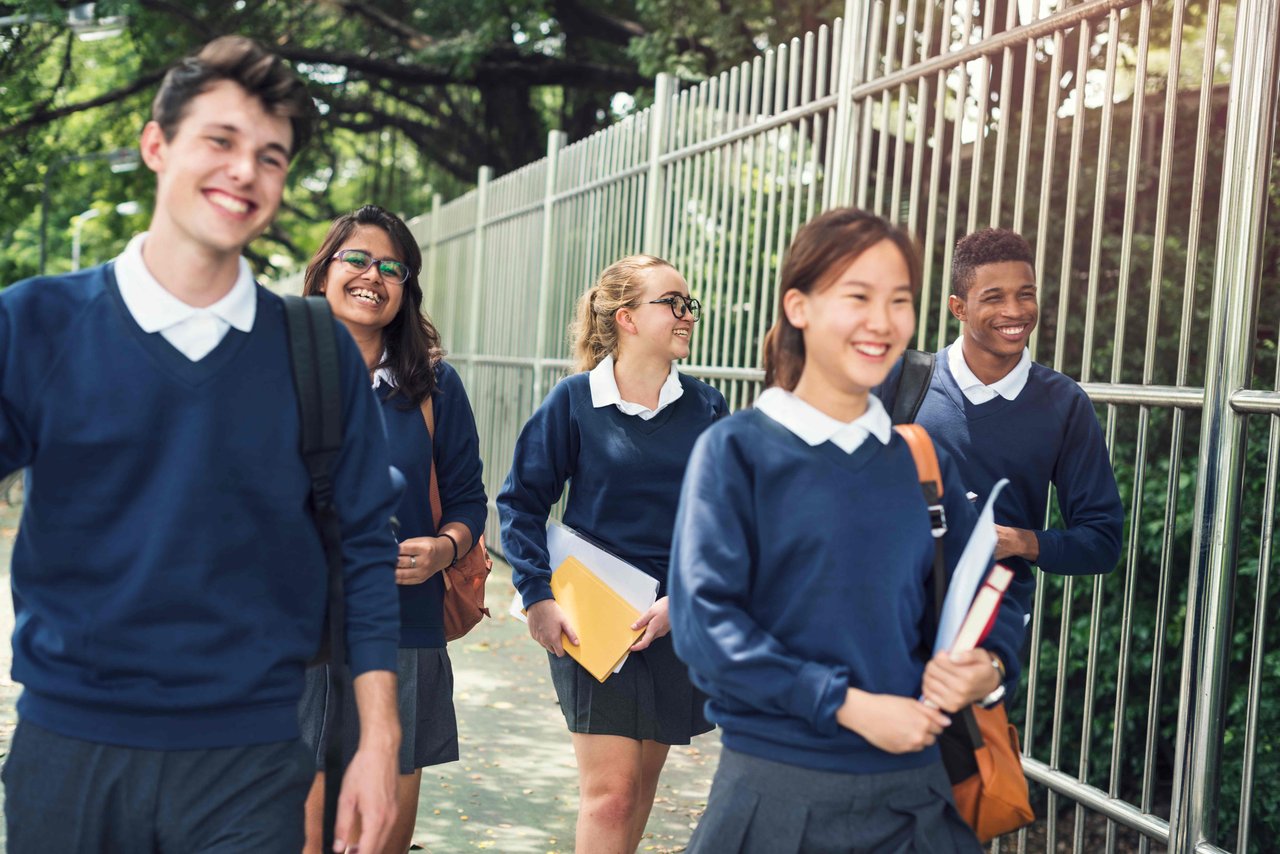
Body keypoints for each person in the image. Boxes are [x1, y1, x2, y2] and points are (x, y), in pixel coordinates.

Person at [0, 37, 401, 853]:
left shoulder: (319, 352)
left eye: (271, 156)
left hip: (249, 756)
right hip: (68, 746)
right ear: (157, 144)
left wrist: (379, 742)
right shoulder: (35, 324)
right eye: (220, 141)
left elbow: (366, 549)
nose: (244, 171)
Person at [668, 208, 1023, 853]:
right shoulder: (737, 452)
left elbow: (991, 593)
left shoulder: (922, 461)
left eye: (900, 300)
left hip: (915, 799)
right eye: (857, 296)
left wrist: (989, 665)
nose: (882, 321)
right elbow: (705, 627)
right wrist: (847, 705)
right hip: (780, 798)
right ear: (798, 307)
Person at [497, 255, 728, 853]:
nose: (686, 314)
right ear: (626, 317)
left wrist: (685, 598)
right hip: (594, 623)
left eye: (688, 304)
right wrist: (538, 598)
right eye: (672, 303)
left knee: (641, 789)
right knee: (612, 794)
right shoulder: (574, 401)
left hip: (673, 623)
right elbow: (520, 502)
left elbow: (726, 521)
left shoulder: (708, 408)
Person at [297, 205, 487, 854]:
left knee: (382, 836)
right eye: (356, 258)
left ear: (406, 289)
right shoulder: (277, 371)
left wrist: (444, 548)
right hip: (296, 630)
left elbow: (469, 501)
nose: (372, 274)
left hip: (405, 626)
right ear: (324, 271)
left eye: (392, 266)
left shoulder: (434, 386)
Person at [878, 227, 1123, 693]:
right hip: (884, 613)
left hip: (986, 636)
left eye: (1025, 294)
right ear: (959, 307)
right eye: (993, 297)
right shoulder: (902, 381)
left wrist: (1017, 541)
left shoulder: (1065, 405)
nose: (1014, 311)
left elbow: (1102, 541)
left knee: (961, 761)